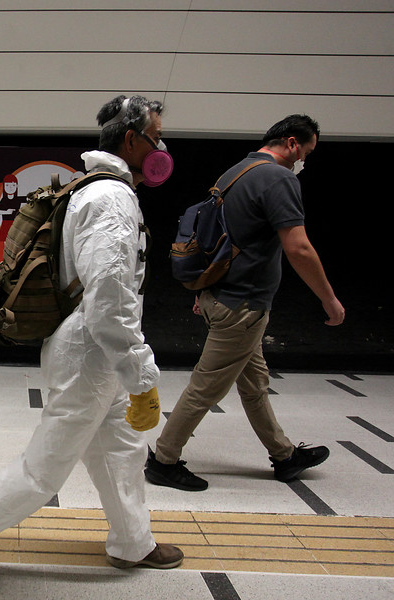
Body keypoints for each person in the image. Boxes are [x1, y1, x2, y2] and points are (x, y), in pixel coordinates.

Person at [0, 95, 182, 594]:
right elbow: (110, 299)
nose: (163, 149)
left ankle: (133, 542)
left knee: (121, 452)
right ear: (131, 140)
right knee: (45, 469)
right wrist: (142, 377)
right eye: (156, 138)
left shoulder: (96, 190)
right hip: (91, 354)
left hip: (98, 351)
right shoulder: (111, 199)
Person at [145, 115, 346, 492]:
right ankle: (163, 461)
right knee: (205, 388)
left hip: (222, 298)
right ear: (292, 143)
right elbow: (299, 248)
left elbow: (214, 238)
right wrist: (329, 299)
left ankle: (284, 456)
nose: (305, 160)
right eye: (307, 152)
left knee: (254, 385)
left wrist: (205, 291)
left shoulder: (235, 173)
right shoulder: (279, 178)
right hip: (243, 307)